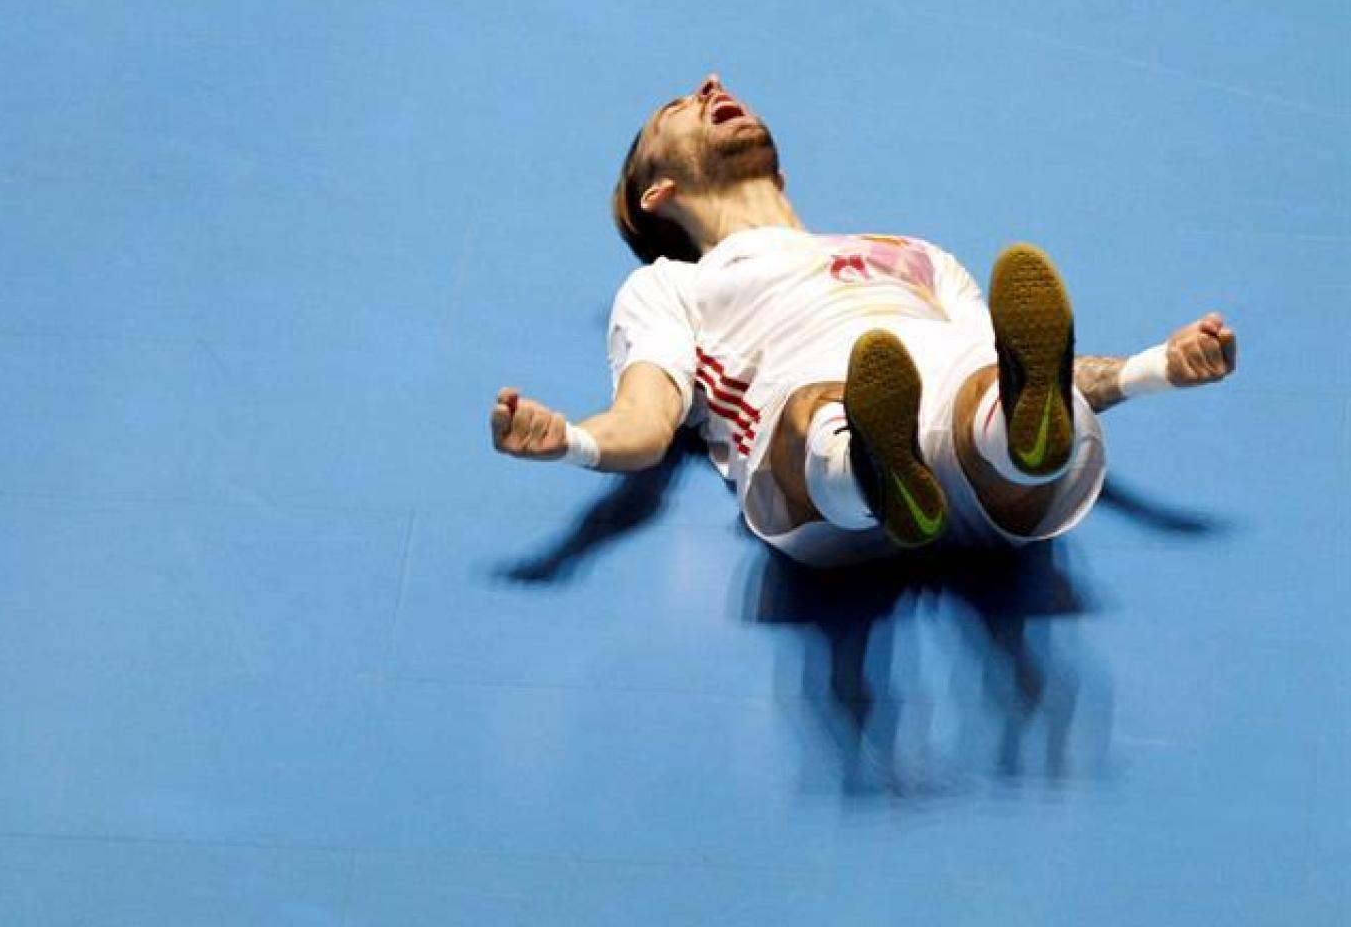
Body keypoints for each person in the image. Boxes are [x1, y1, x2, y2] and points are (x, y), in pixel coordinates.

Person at [489, 74, 1237, 567]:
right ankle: (869, 472)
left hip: (960, 450)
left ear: (780, 173)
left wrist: (1153, 367)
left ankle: (995, 450)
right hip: (816, 487)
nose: (711, 83)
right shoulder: (670, 285)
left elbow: (1024, 368)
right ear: (658, 193)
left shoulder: (916, 254)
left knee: (988, 387)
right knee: (814, 407)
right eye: (677, 106)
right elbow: (646, 422)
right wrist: (572, 441)